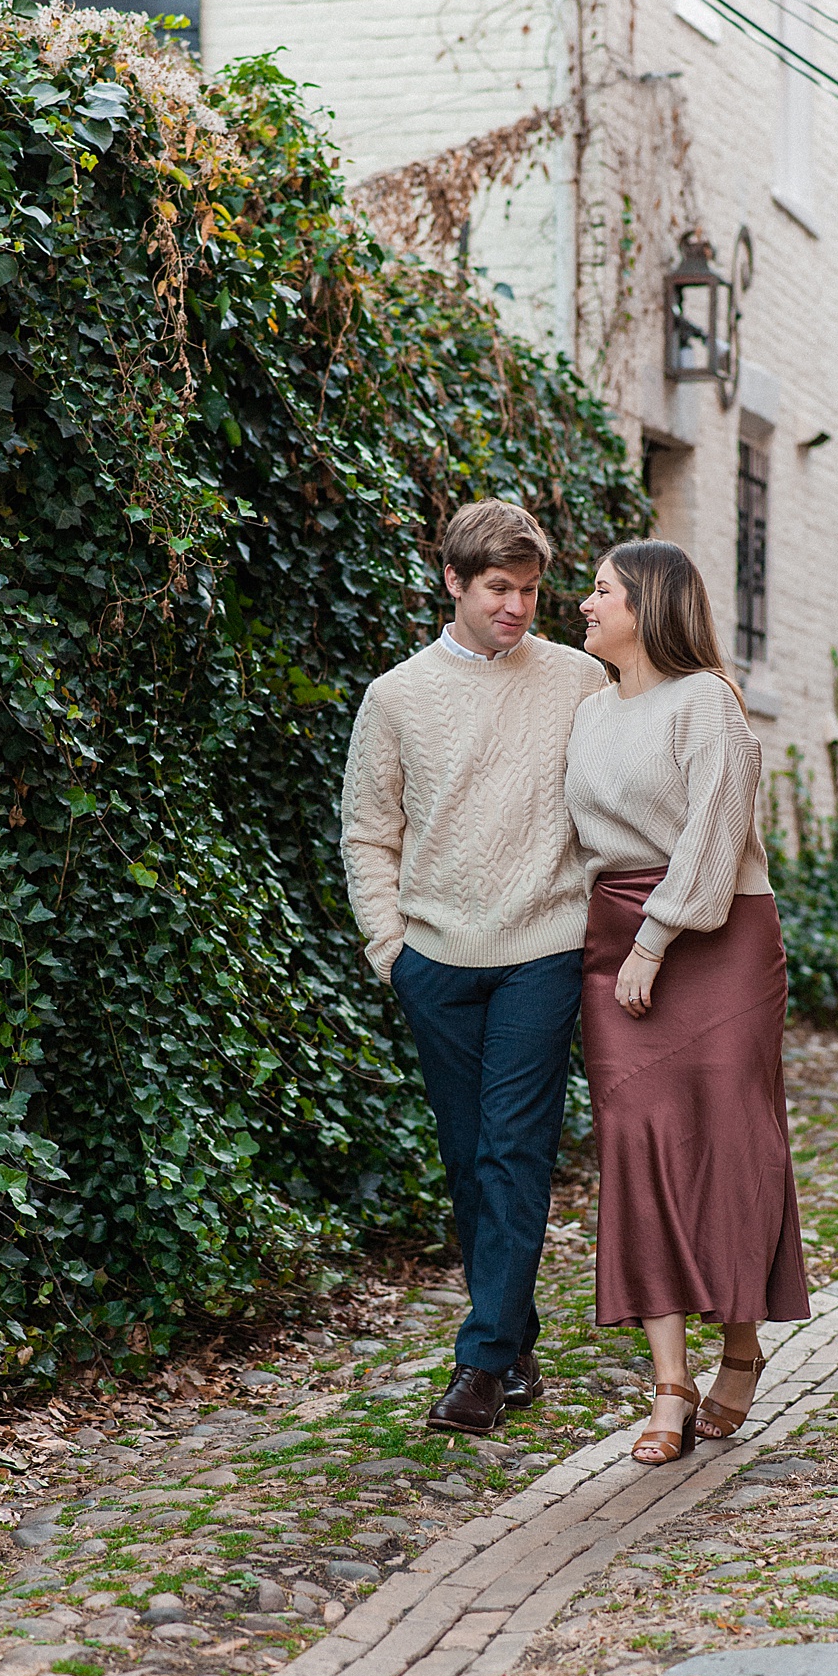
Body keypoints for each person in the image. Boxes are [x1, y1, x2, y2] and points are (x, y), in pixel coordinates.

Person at [340, 499, 608, 1435]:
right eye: (500, 588)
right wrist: (392, 953)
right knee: (467, 1157)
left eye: (532, 591)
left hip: (544, 947)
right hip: (437, 962)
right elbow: (370, 833)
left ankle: (483, 1364)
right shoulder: (397, 695)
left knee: (513, 1149)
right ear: (453, 580)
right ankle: (516, 1336)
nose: (518, 607)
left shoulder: (579, 680)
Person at [564, 539, 810, 1465]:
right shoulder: (587, 713)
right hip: (611, 932)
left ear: (649, 605)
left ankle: (740, 1347)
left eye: (601, 591)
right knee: (637, 1144)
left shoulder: (708, 699)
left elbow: (713, 835)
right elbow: (573, 842)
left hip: (718, 935)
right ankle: (669, 1383)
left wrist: (655, 941)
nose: (585, 604)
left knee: (733, 1134)